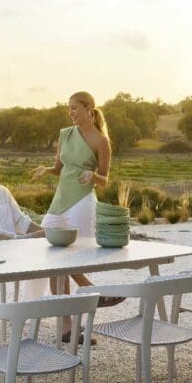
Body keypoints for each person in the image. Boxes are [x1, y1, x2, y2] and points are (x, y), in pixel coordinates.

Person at [31, 91, 124, 316]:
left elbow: (104, 180)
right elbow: (58, 168)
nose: (70, 112)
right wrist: (47, 170)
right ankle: (92, 291)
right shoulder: (64, 134)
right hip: (59, 202)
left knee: (70, 259)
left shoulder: (102, 142)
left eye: (74, 107)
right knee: (51, 253)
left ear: (88, 109)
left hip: (82, 202)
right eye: (69, 107)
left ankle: (68, 324)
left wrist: (92, 176)